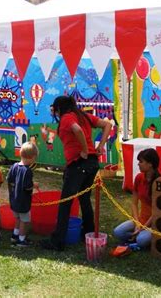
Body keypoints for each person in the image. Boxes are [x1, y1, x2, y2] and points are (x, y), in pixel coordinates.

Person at [41, 95, 112, 251]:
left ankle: (57, 241)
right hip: (92, 163)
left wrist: (85, 150)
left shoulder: (67, 118)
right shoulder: (82, 115)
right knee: (84, 198)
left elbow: (77, 129)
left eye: (55, 109)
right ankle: (87, 232)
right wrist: (100, 146)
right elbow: (107, 125)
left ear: (59, 108)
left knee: (66, 202)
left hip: (79, 164)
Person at [113, 148, 160, 249]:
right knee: (117, 232)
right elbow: (134, 203)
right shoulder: (139, 177)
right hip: (140, 220)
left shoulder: (160, 182)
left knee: (141, 240)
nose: (138, 164)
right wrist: (137, 223)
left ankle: (138, 239)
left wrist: (143, 227)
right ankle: (137, 238)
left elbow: (158, 211)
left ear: (150, 164)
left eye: (141, 162)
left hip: (154, 223)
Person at [7, 142, 39, 247]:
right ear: (32, 157)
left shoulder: (14, 166)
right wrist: (34, 185)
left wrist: (13, 191)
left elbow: (10, 180)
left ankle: (14, 236)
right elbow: (27, 187)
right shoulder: (28, 171)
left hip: (14, 200)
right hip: (23, 202)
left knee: (17, 219)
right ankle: (21, 240)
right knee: (24, 221)